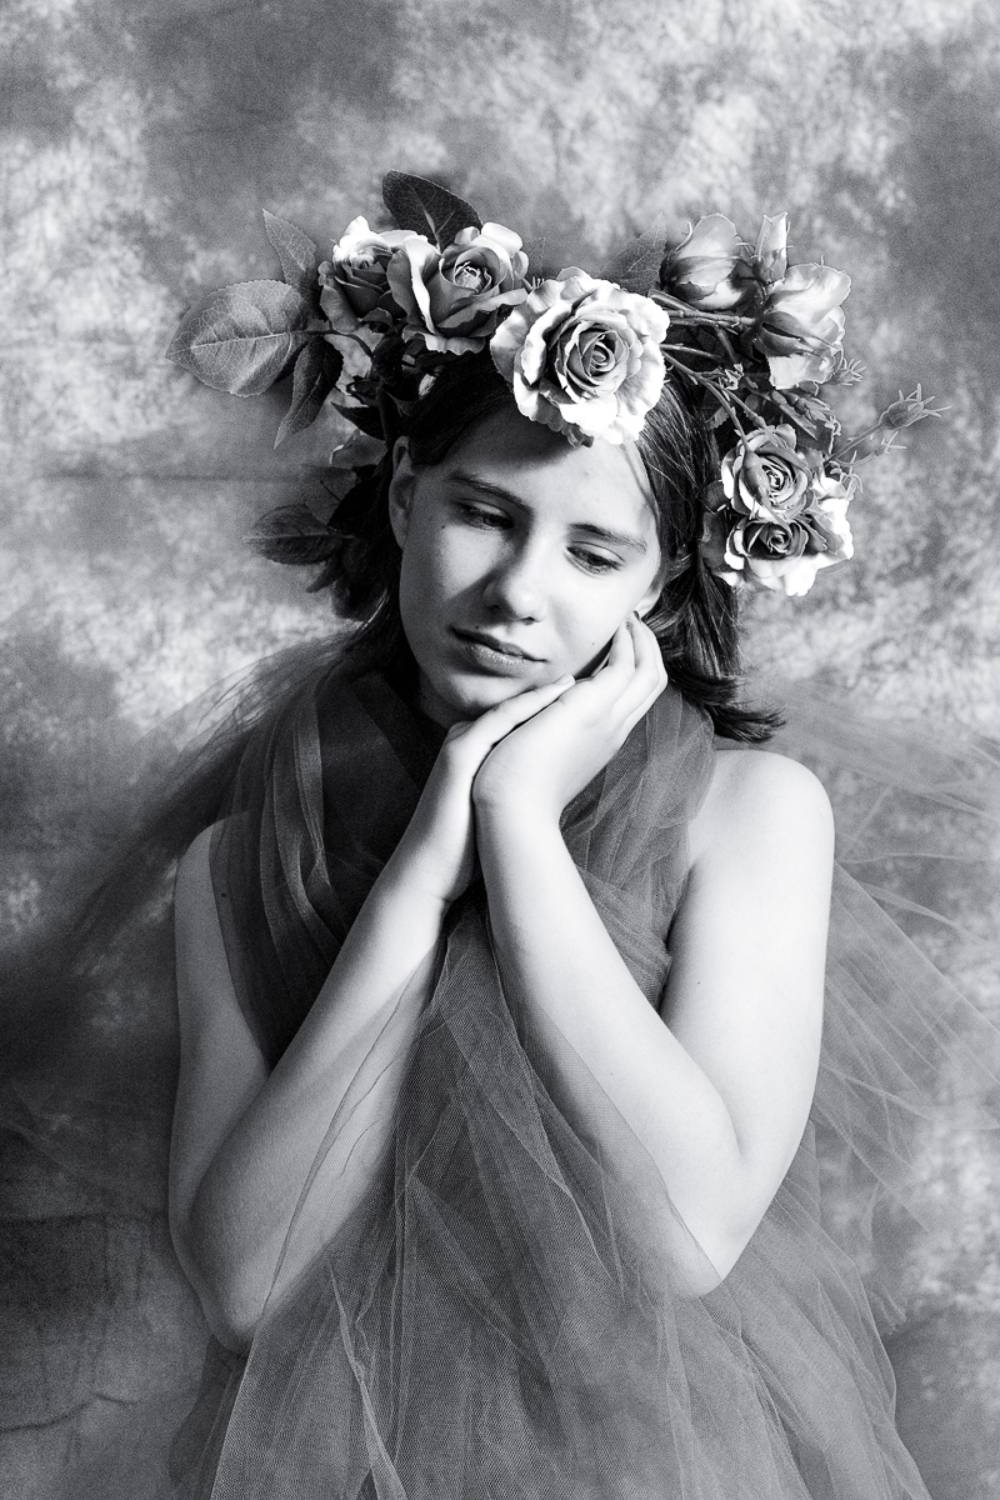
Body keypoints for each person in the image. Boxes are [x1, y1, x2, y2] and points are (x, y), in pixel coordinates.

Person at [153, 176, 1000, 1497]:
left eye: (593, 555)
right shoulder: (233, 862)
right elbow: (245, 1288)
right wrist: (420, 877)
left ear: (658, 585)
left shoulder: (750, 815)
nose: (517, 594)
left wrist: (517, 824)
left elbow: (685, 1238)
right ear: (404, 497)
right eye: (484, 514)